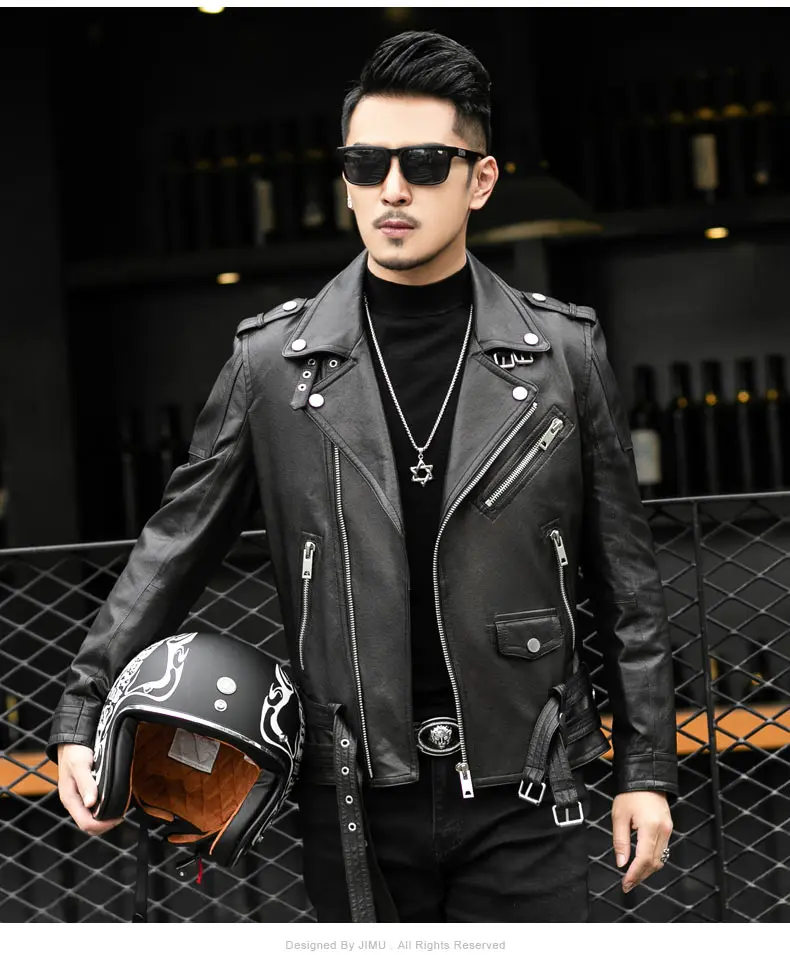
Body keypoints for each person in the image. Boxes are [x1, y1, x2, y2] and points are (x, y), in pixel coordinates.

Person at [48, 30, 677, 922]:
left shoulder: (561, 355)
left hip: (529, 780)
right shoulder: (273, 364)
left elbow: (629, 584)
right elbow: (172, 548)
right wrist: (82, 711)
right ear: (345, 180)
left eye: (424, 162)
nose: (393, 188)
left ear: (480, 180)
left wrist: (646, 770)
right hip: (349, 789)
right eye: (366, 163)